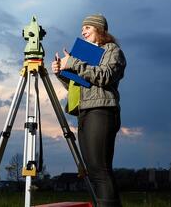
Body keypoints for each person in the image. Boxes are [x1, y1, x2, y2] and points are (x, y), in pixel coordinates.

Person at [51, 14, 126, 207]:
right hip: (84, 111)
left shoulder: (112, 50)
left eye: (88, 28)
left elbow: (104, 77)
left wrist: (74, 63)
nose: (83, 31)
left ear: (100, 30)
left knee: (100, 169)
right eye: (82, 28)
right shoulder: (85, 55)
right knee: (92, 170)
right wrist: (61, 72)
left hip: (101, 111)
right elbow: (79, 85)